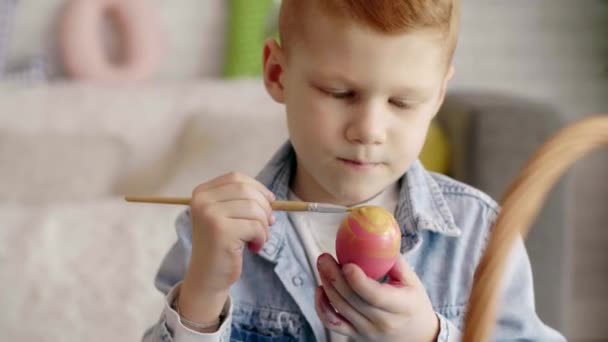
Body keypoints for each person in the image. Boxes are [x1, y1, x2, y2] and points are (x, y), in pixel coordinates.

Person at [143, 1, 565, 341]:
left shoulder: (480, 234)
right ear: (277, 73)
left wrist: (430, 337)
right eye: (339, 93)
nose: (368, 130)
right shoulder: (216, 234)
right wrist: (203, 293)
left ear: (438, 95)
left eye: (402, 102)